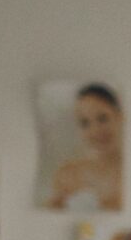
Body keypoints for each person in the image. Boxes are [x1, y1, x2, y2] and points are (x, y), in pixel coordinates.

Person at [43, 83, 124, 212]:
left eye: (103, 119)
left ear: (119, 116)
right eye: (85, 123)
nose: (95, 131)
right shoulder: (66, 175)